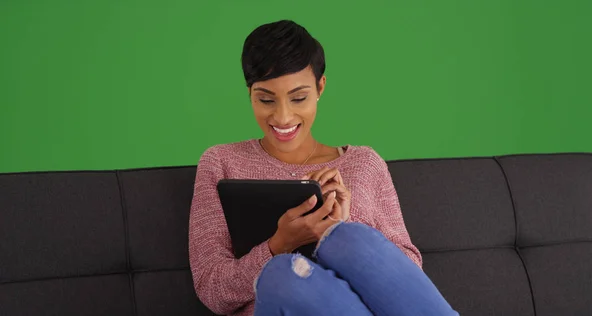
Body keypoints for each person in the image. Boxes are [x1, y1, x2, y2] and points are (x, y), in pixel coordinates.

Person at [189, 20, 458, 316]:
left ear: (320, 87)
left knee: (348, 237)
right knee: (281, 274)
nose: (282, 116)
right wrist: (279, 245)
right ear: (249, 93)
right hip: (279, 301)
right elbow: (212, 288)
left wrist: (336, 229)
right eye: (266, 99)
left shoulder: (364, 164)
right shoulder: (222, 162)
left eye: (298, 98)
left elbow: (408, 277)